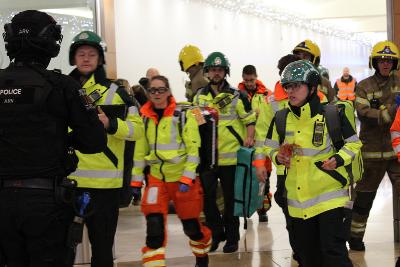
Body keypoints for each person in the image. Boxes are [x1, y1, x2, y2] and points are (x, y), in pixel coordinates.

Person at [0, 10, 106, 267]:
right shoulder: (62, 86)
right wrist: (65, 142)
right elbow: (94, 141)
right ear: (51, 43)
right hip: (45, 202)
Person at [262, 59, 361, 267]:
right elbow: (269, 146)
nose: (291, 91)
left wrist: (338, 159)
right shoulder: (280, 118)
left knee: (334, 254)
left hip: (330, 199)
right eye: (288, 86)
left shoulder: (333, 114)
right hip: (297, 203)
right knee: (307, 257)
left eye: (297, 86)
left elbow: (354, 144)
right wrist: (276, 156)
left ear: (313, 87)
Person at [68, 30, 144, 266]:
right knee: (63, 249)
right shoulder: (62, 89)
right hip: (68, 182)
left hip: (105, 187)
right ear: (73, 58)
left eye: (92, 54)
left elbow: (137, 130)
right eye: (81, 54)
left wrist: (110, 124)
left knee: (102, 251)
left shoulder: (118, 93)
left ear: (100, 59)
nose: (86, 58)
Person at [130, 75, 211, 267]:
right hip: (156, 179)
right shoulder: (145, 117)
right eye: (152, 90)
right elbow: (140, 152)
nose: (157, 94)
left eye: (161, 89)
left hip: (183, 180)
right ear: (148, 93)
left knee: (192, 228)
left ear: (168, 91)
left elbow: (194, 150)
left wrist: (187, 178)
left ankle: (201, 255)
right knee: (154, 228)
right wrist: (135, 181)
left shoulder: (183, 116)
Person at [193, 52, 256, 253]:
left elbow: (249, 120)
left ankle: (232, 238)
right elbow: (195, 124)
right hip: (207, 158)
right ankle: (216, 233)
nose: (216, 73)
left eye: (220, 70)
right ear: (207, 72)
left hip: (231, 157)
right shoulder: (199, 96)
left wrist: (249, 137)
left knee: (230, 201)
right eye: (213, 70)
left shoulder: (237, 95)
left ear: (225, 72)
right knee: (207, 199)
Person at [349, 40, 400, 251]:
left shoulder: (399, 82)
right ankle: (354, 238)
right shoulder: (363, 86)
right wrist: (391, 111)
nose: (386, 64)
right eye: (382, 60)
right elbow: (364, 113)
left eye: (390, 60)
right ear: (375, 62)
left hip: (397, 152)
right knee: (364, 199)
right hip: (371, 153)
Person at [237, 64, 273, 222]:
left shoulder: (267, 95)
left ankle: (262, 210)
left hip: (263, 145)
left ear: (256, 77)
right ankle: (247, 209)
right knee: (245, 180)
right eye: (246, 80)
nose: (249, 83)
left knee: (264, 181)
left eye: (251, 80)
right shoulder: (237, 95)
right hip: (245, 145)